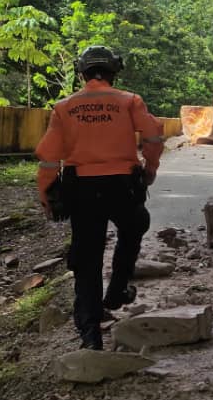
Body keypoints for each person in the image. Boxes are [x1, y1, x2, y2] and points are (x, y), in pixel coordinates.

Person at [35, 45, 164, 350]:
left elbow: (49, 159)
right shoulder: (129, 101)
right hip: (123, 185)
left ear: (82, 73)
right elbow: (153, 137)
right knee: (134, 226)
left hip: (81, 188)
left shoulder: (64, 108)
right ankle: (117, 290)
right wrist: (149, 170)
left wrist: (47, 196)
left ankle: (90, 335)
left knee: (87, 257)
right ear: (113, 72)